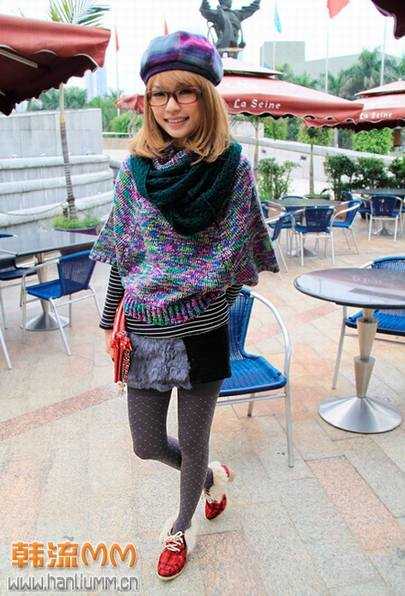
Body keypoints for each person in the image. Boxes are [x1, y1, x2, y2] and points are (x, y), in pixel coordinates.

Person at [89, 30, 278, 581]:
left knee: (194, 442)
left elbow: (243, 251)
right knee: (146, 443)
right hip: (144, 331)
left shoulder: (232, 168)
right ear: (148, 101)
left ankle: (181, 525)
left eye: (184, 92)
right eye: (159, 94)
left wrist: (206, 296)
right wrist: (109, 320)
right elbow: (125, 252)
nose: (171, 106)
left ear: (206, 97)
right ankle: (212, 477)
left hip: (203, 332)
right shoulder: (134, 171)